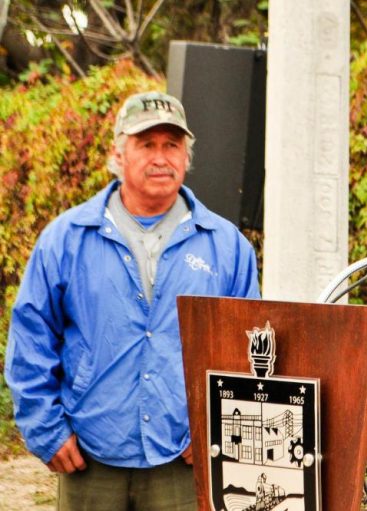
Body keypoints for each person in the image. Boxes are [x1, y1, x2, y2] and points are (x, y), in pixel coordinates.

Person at [4, 91, 261, 510]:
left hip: (182, 458)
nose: (161, 157)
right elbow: (31, 337)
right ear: (119, 154)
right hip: (89, 459)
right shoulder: (66, 239)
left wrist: (216, 430)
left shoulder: (226, 246)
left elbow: (247, 353)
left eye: (172, 145)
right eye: (146, 144)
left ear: (186, 156)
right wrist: (46, 430)